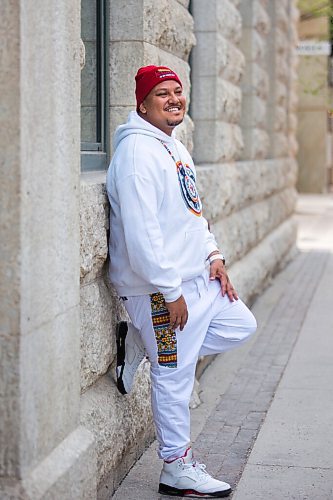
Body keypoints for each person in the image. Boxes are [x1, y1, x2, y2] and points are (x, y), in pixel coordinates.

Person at [106, 65, 257, 498]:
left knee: (241, 325)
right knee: (173, 377)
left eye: (177, 91)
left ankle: (143, 341)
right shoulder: (137, 155)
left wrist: (214, 256)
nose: (174, 99)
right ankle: (176, 467)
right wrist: (169, 293)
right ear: (142, 104)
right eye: (162, 94)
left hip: (196, 280)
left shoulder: (173, 147)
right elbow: (142, 235)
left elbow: (192, 214)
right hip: (160, 291)